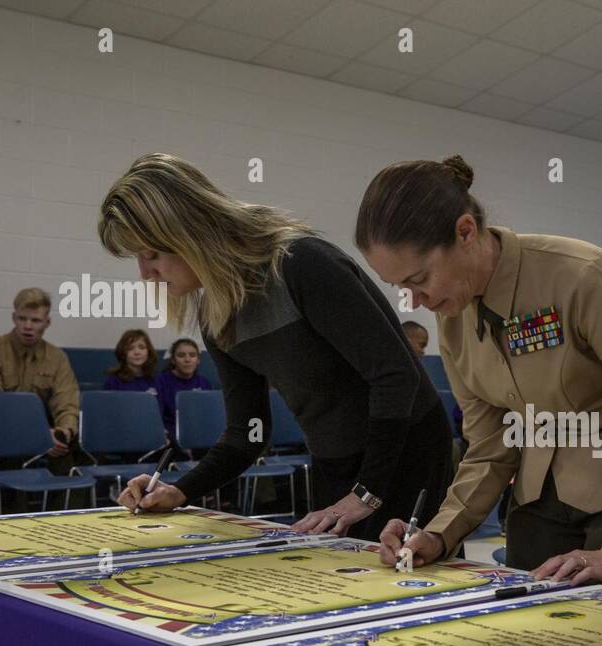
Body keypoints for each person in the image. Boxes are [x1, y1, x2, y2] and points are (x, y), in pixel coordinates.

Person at [358, 156, 602, 599]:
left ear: (465, 232)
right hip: (542, 492)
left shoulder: (585, 277)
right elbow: (489, 444)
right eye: (400, 287)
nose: (414, 300)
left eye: (419, 279)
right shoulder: (454, 315)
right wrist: (438, 534)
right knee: (526, 630)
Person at [103, 153, 453, 539]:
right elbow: (246, 434)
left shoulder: (300, 263)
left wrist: (367, 491)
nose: (145, 273)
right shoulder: (216, 316)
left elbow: (395, 376)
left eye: (152, 254)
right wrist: (180, 490)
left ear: (189, 233)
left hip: (406, 454)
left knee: (405, 580)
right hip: (335, 463)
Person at [0, 287, 87, 506]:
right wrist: (39, 436)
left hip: (48, 434)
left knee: (70, 453)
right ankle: (13, 522)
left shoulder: (57, 357)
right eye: (22, 318)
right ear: (14, 318)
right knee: (13, 455)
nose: (27, 326)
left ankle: (63, 521)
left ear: (47, 323)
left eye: (35, 320)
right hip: (1, 434)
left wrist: (64, 431)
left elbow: (67, 401)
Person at [155, 337, 212, 441]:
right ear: (173, 360)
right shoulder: (161, 382)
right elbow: (157, 419)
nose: (187, 360)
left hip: (199, 436)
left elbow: (208, 418)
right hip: (170, 438)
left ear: (198, 360)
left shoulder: (204, 383)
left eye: (192, 355)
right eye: (181, 355)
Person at [103, 329, 160, 396]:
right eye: (130, 348)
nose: (137, 352)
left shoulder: (157, 379)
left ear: (148, 351)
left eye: (142, 347)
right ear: (123, 353)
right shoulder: (114, 381)